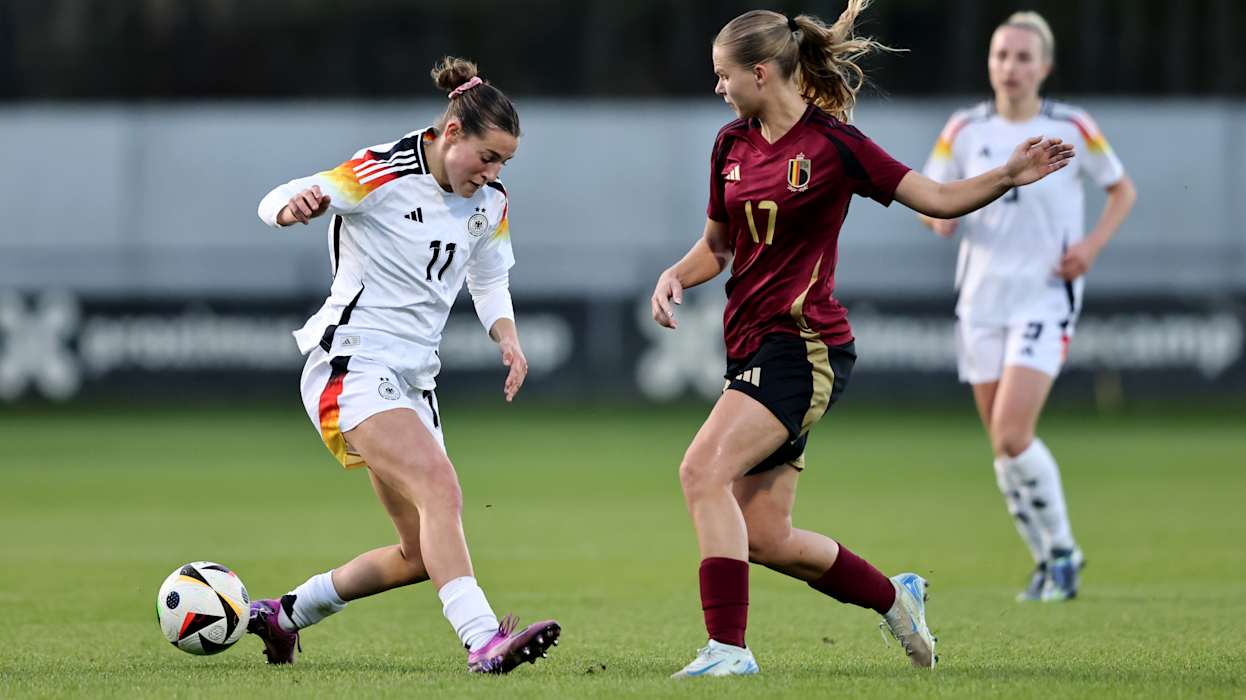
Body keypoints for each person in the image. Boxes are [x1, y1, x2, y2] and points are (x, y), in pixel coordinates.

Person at [651, 4, 1074, 677]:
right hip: (750, 345)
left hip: (803, 344)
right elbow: (717, 246)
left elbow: (933, 197)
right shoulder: (730, 146)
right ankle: (894, 597)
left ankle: (728, 651)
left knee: (701, 471)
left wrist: (1005, 176)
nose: (718, 89)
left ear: (760, 72)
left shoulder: (834, 145)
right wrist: (677, 274)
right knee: (763, 536)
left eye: (723, 75)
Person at [247, 57, 560, 673]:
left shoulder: (489, 201)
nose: (494, 172)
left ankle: (283, 614)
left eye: (505, 162)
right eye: (487, 156)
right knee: (441, 489)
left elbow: (489, 275)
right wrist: (294, 207)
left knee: (419, 554)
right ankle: (482, 641)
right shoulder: (380, 171)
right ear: (451, 133)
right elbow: (276, 198)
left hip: (414, 382)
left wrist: (508, 338)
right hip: (351, 364)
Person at [918, 12, 1136, 602]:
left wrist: (1090, 246)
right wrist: (937, 218)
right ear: (989, 63)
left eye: (1022, 57)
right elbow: (932, 200)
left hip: (1043, 296)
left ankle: (1063, 551)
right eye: (1000, 55)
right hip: (982, 302)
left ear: (1044, 66)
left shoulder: (1070, 125)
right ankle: (1049, 561)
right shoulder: (963, 129)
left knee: (1014, 434)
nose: (1009, 67)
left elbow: (1121, 188)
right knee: (1002, 447)